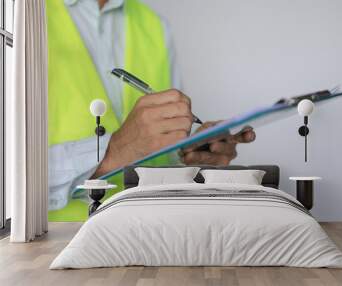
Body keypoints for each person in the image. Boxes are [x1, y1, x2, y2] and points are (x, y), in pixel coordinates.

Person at [47, 0, 256, 221]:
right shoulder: (21, 14)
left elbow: (161, 151)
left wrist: (186, 157)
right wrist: (114, 152)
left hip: (150, 232)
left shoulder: (155, 25)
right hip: (57, 242)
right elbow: (10, 173)